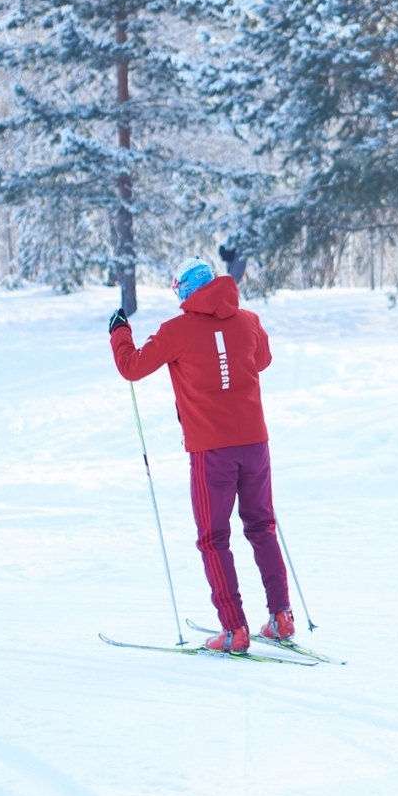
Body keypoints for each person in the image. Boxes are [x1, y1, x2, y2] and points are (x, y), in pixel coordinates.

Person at [111, 257, 295, 653]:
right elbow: (261, 361)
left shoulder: (176, 331)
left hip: (211, 451)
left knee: (213, 538)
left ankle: (235, 630)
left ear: (184, 290)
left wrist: (119, 332)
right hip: (255, 444)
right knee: (261, 527)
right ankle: (281, 617)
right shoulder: (248, 321)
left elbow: (132, 367)